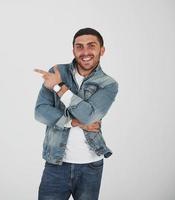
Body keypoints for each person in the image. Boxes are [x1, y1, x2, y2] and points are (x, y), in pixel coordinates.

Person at [34, 28, 118, 200]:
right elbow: (40, 111)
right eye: (79, 46)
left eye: (91, 46)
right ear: (73, 50)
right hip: (55, 163)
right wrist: (73, 122)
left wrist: (59, 87)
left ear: (102, 50)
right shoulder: (58, 72)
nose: (85, 52)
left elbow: (88, 116)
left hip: (90, 166)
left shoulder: (108, 84)